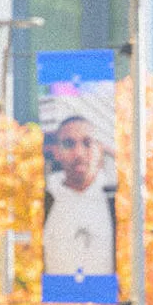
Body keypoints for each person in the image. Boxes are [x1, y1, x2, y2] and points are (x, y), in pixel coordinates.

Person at [42, 115, 116, 281]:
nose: (79, 153)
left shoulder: (117, 201)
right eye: (69, 144)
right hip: (57, 303)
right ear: (57, 152)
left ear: (99, 148)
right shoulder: (43, 202)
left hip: (107, 303)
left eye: (87, 143)